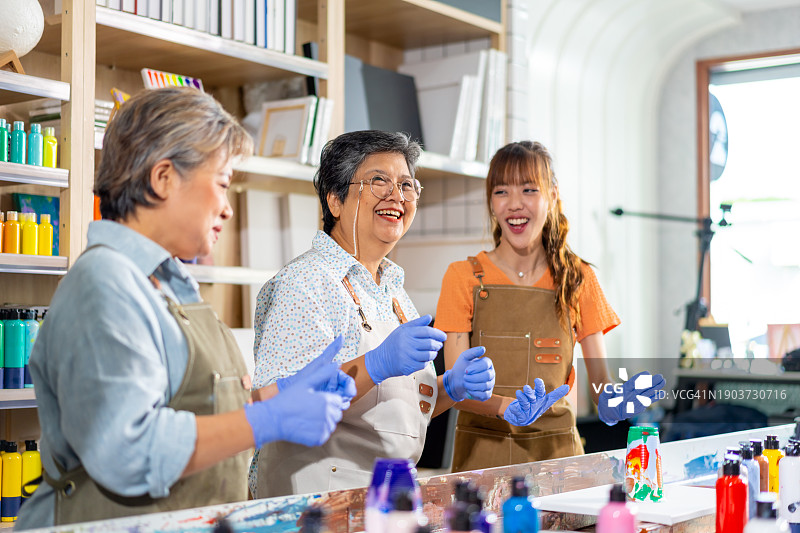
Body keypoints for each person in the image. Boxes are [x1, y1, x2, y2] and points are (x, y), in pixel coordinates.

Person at [16, 88, 355, 529]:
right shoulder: (104, 286)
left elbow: (192, 406)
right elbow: (127, 450)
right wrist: (267, 419)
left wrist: (277, 396)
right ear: (163, 178)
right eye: (222, 183)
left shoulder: (168, 283)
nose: (229, 209)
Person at [251, 130, 564, 498]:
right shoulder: (304, 283)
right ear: (335, 200)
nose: (396, 196)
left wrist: (448, 387)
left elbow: (395, 414)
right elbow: (278, 407)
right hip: (314, 502)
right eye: (378, 181)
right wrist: (377, 363)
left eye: (406, 184)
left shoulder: (392, 289)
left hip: (382, 498)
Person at [435, 141, 666, 472]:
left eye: (529, 189)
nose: (515, 204)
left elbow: (600, 387)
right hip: (480, 461)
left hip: (560, 464)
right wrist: (504, 407)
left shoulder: (579, 278)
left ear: (552, 195)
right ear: (491, 202)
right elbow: (457, 386)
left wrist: (615, 402)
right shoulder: (462, 277)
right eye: (501, 191)